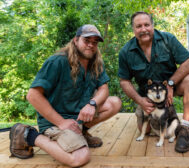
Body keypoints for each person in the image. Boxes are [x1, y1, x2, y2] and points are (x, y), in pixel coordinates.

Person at [9, 24, 122, 167]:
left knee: (115, 102)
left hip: (77, 117)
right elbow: (32, 96)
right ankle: (29, 135)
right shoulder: (57, 61)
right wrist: (62, 122)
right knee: (80, 157)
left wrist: (92, 104)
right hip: (55, 121)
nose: (91, 45)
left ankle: (81, 132)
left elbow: (104, 89)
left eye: (95, 42)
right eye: (87, 40)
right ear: (76, 40)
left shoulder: (96, 61)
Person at [118, 11, 189, 153]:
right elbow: (124, 81)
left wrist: (171, 84)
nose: (143, 29)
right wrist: (140, 100)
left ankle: (184, 128)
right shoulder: (126, 51)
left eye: (146, 25)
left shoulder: (168, 40)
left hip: (172, 85)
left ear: (153, 25)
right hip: (147, 95)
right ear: (133, 29)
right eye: (138, 26)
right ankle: (163, 119)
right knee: (147, 130)